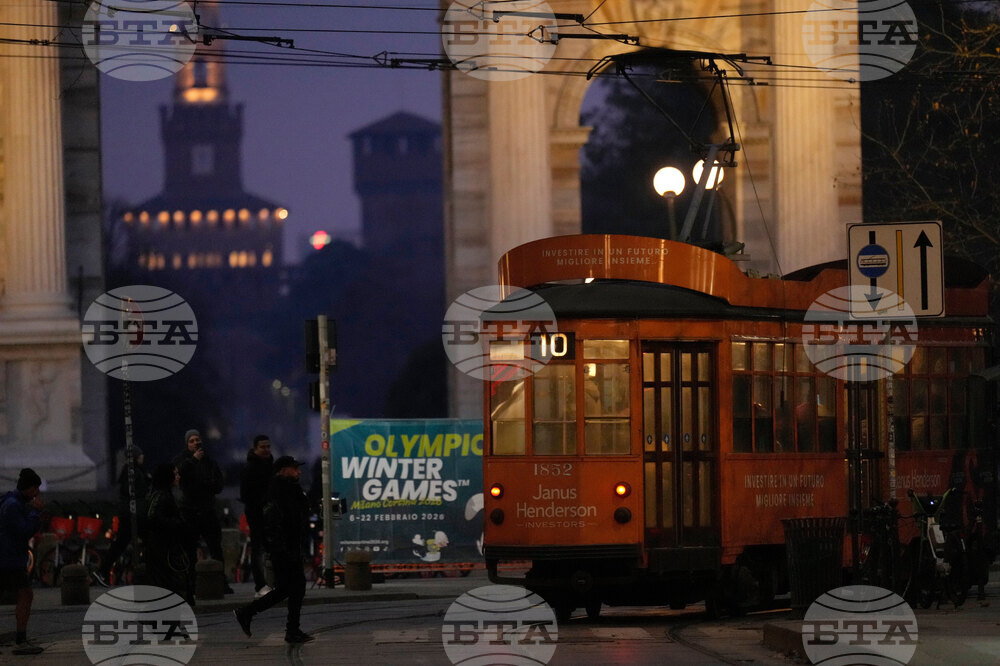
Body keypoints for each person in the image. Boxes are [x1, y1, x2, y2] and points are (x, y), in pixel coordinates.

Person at [233, 456, 313, 644]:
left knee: (288, 589)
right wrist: (281, 551)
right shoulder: (275, 491)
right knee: (295, 587)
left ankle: (248, 613)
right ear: (283, 470)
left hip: (291, 547)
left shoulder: (292, 489)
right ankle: (290, 630)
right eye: (294, 468)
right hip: (283, 550)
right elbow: (272, 524)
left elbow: (301, 511)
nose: (298, 472)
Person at [173, 429, 231, 593]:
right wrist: (193, 460)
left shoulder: (210, 462)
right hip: (189, 511)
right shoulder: (182, 460)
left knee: (215, 548)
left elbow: (218, 484)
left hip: (207, 510)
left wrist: (205, 484)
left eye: (197, 439)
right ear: (187, 444)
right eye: (192, 441)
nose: (196, 443)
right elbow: (180, 474)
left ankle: (221, 582)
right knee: (190, 550)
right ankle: (190, 584)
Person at [0, 468, 45, 655]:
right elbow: (23, 530)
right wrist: (35, 513)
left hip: (8, 557)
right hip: (8, 559)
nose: (37, 494)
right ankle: (20, 639)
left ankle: (21, 637)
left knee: (22, 595)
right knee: (26, 595)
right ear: (29, 488)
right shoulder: (12, 505)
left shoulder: (10, 501)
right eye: (36, 489)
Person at [100, 446, 151, 584]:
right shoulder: (132, 471)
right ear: (135, 457)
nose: (143, 457)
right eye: (140, 455)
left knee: (120, 545)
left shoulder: (134, 470)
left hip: (131, 514)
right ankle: (104, 571)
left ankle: (103, 570)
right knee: (150, 541)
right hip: (132, 515)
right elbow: (136, 491)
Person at [145, 463, 193, 604]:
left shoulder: (163, 494)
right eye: (175, 473)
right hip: (162, 549)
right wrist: (179, 523)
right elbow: (154, 518)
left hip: (163, 547)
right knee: (166, 584)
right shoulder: (161, 496)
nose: (178, 477)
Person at [238, 434, 274, 598]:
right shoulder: (251, 468)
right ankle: (260, 585)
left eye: (268, 446)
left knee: (271, 548)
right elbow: (246, 494)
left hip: (269, 514)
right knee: (258, 549)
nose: (266, 450)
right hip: (257, 514)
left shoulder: (270, 465)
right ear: (255, 448)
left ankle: (272, 583)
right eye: (263, 447)